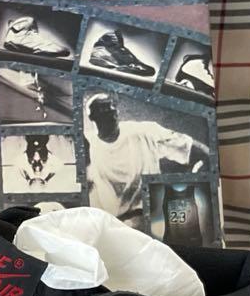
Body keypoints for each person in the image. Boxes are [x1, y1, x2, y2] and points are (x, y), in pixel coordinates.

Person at [84, 93, 211, 225]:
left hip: (152, 216)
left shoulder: (145, 132)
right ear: (92, 117)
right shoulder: (87, 145)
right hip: (114, 223)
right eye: (103, 111)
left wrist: (200, 176)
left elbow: (197, 151)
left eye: (112, 108)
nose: (111, 113)